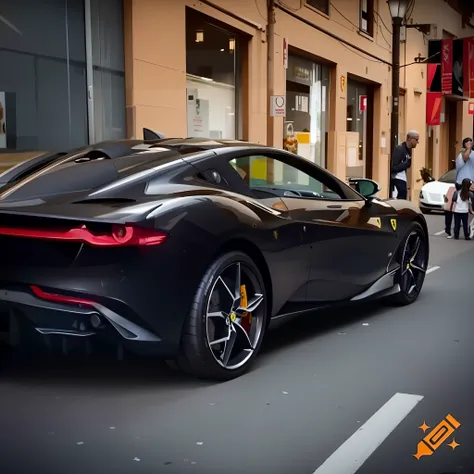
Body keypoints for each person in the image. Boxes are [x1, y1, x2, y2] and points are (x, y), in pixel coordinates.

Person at [390, 130, 419, 199]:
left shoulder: (408, 150)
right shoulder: (399, 149)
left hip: (402, 178)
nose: (417, 142)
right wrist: (406, 164)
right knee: (401, 198)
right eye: (416, 139)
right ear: (410, 139)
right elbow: (393, 167)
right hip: (397, 179)